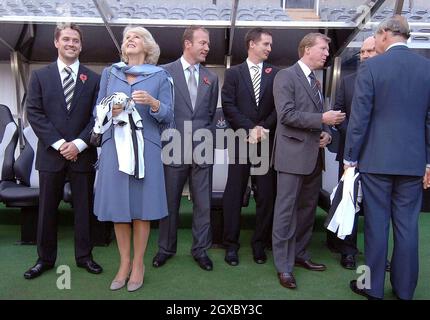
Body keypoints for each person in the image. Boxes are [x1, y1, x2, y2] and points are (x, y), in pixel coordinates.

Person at [346, 15, 430, 300]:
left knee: (376, 227)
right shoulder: (427, 68)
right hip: (413, 162)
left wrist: (350, 158)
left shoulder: (371, 67)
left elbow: (359, 118)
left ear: (384, 34)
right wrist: (428, 161)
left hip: (376, 161)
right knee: (408, 227)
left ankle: (372, 286)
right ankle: (405, 290)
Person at [93, 26, 174, 292]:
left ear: (148, 47)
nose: (130, 40)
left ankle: (138, 264)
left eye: (136, 37)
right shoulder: (111, 72)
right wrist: (109, 107)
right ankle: (124, 263)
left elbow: (168, 115)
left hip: (145, 148)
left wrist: (153, 102)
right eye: (127, 37)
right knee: (119, 208)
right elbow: (98, 108)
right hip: (114, 147)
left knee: (142, 209)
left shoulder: (161, 75)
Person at [24, 23, 102, 279]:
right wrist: (60, 144)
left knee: (84, 209)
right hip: (51, 155)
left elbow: (96, 117)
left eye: (76, 40)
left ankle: (84, 257)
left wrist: (79, 144)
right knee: (46, 210)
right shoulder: (39, 76)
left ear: (81, 45)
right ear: (56, 42)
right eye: (66, 39)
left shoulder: (94, 79)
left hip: (83, 155)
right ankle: (44, 259)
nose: (71, 44)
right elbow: (34, 113)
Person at [272, 33, 346, 289]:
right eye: (323, 49)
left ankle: (300, 255)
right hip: (291, 158)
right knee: (285, 212)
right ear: (306, 49)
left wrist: (323, 133)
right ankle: (284, 266)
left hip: (313, 157)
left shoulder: (314, 80)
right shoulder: (286, 76)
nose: (327, 53)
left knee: (306, 212)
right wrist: (322, 120)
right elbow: (287, 115)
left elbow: (312, 119)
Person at [152, 26, 219, 271]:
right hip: (172, 148)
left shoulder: (211, 78)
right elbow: (158, 112)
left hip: (202, 149)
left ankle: (201, 250)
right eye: (202, 43)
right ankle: (165, 249)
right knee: (169, 203)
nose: (207, 48)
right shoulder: (164, 72)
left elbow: (210, 115)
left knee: (203, 204)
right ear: (187, 44)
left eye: (208, 44)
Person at [221, 28, 278, 266]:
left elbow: (279, 107)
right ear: (252, 44)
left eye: (270, 45)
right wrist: (249, 129)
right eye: (265, 43)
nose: (269, 48)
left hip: (266, 142)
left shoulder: (276, 74)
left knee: (266, 195)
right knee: (234, 194)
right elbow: (228, 105)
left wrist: (263, 128)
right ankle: (230, 245)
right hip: (240, 140)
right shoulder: (233, 73)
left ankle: (259, 244)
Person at [326, 36, 377, 270]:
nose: (365, 55)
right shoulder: (347, 81)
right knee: (349, 204)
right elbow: (338, 116)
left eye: (370, 51)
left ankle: (377, 255)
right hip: (350, 155)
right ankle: (348, 251)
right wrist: (356, 137)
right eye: (363, 52)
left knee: (377, 207)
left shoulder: (388, 80)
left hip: (380, 155)